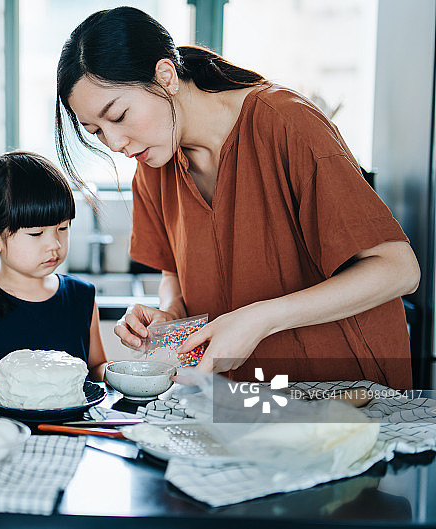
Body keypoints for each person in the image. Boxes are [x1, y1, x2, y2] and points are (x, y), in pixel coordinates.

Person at [55, 6, 419, 388]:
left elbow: (399, 269)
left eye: (119, 115)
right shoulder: (152, 163)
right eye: (96, 131)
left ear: (165, 77)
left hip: (345, 392)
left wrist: (258, 318)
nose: (115, 143)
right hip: (247, 399)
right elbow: (174, 273)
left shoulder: (285, 122)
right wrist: (171, 314)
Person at [0, 151, 108, 387]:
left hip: (70, 424)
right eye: (36, 233)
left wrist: (120, 373)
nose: (54, 244)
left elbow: (96, 368)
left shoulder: (82, 296)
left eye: (63, 228)